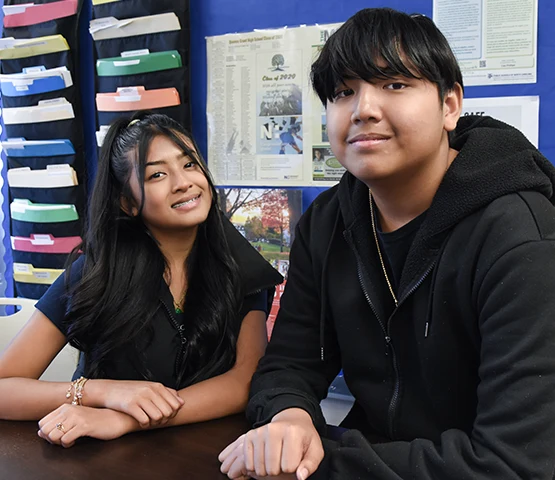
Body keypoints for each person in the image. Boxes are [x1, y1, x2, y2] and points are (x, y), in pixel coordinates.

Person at [219, 7, 555, 480]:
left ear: (449, 106)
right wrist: (289, 418)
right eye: (343, 92)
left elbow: (518, 463)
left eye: (395, 84)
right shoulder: (328, 222)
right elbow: (289, 364)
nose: (363, 109)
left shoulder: (519, 235)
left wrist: (318, 466)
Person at [0, 112, 283, 447]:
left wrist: (126, 419)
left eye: (190, 164)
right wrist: (105, 393)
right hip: (102, 460)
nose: (183, 182)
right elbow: (4, 387)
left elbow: (243, 383)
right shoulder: (96, 272)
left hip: (206, 455)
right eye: (157, 174)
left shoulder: (240, 266)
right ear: (128, 202)